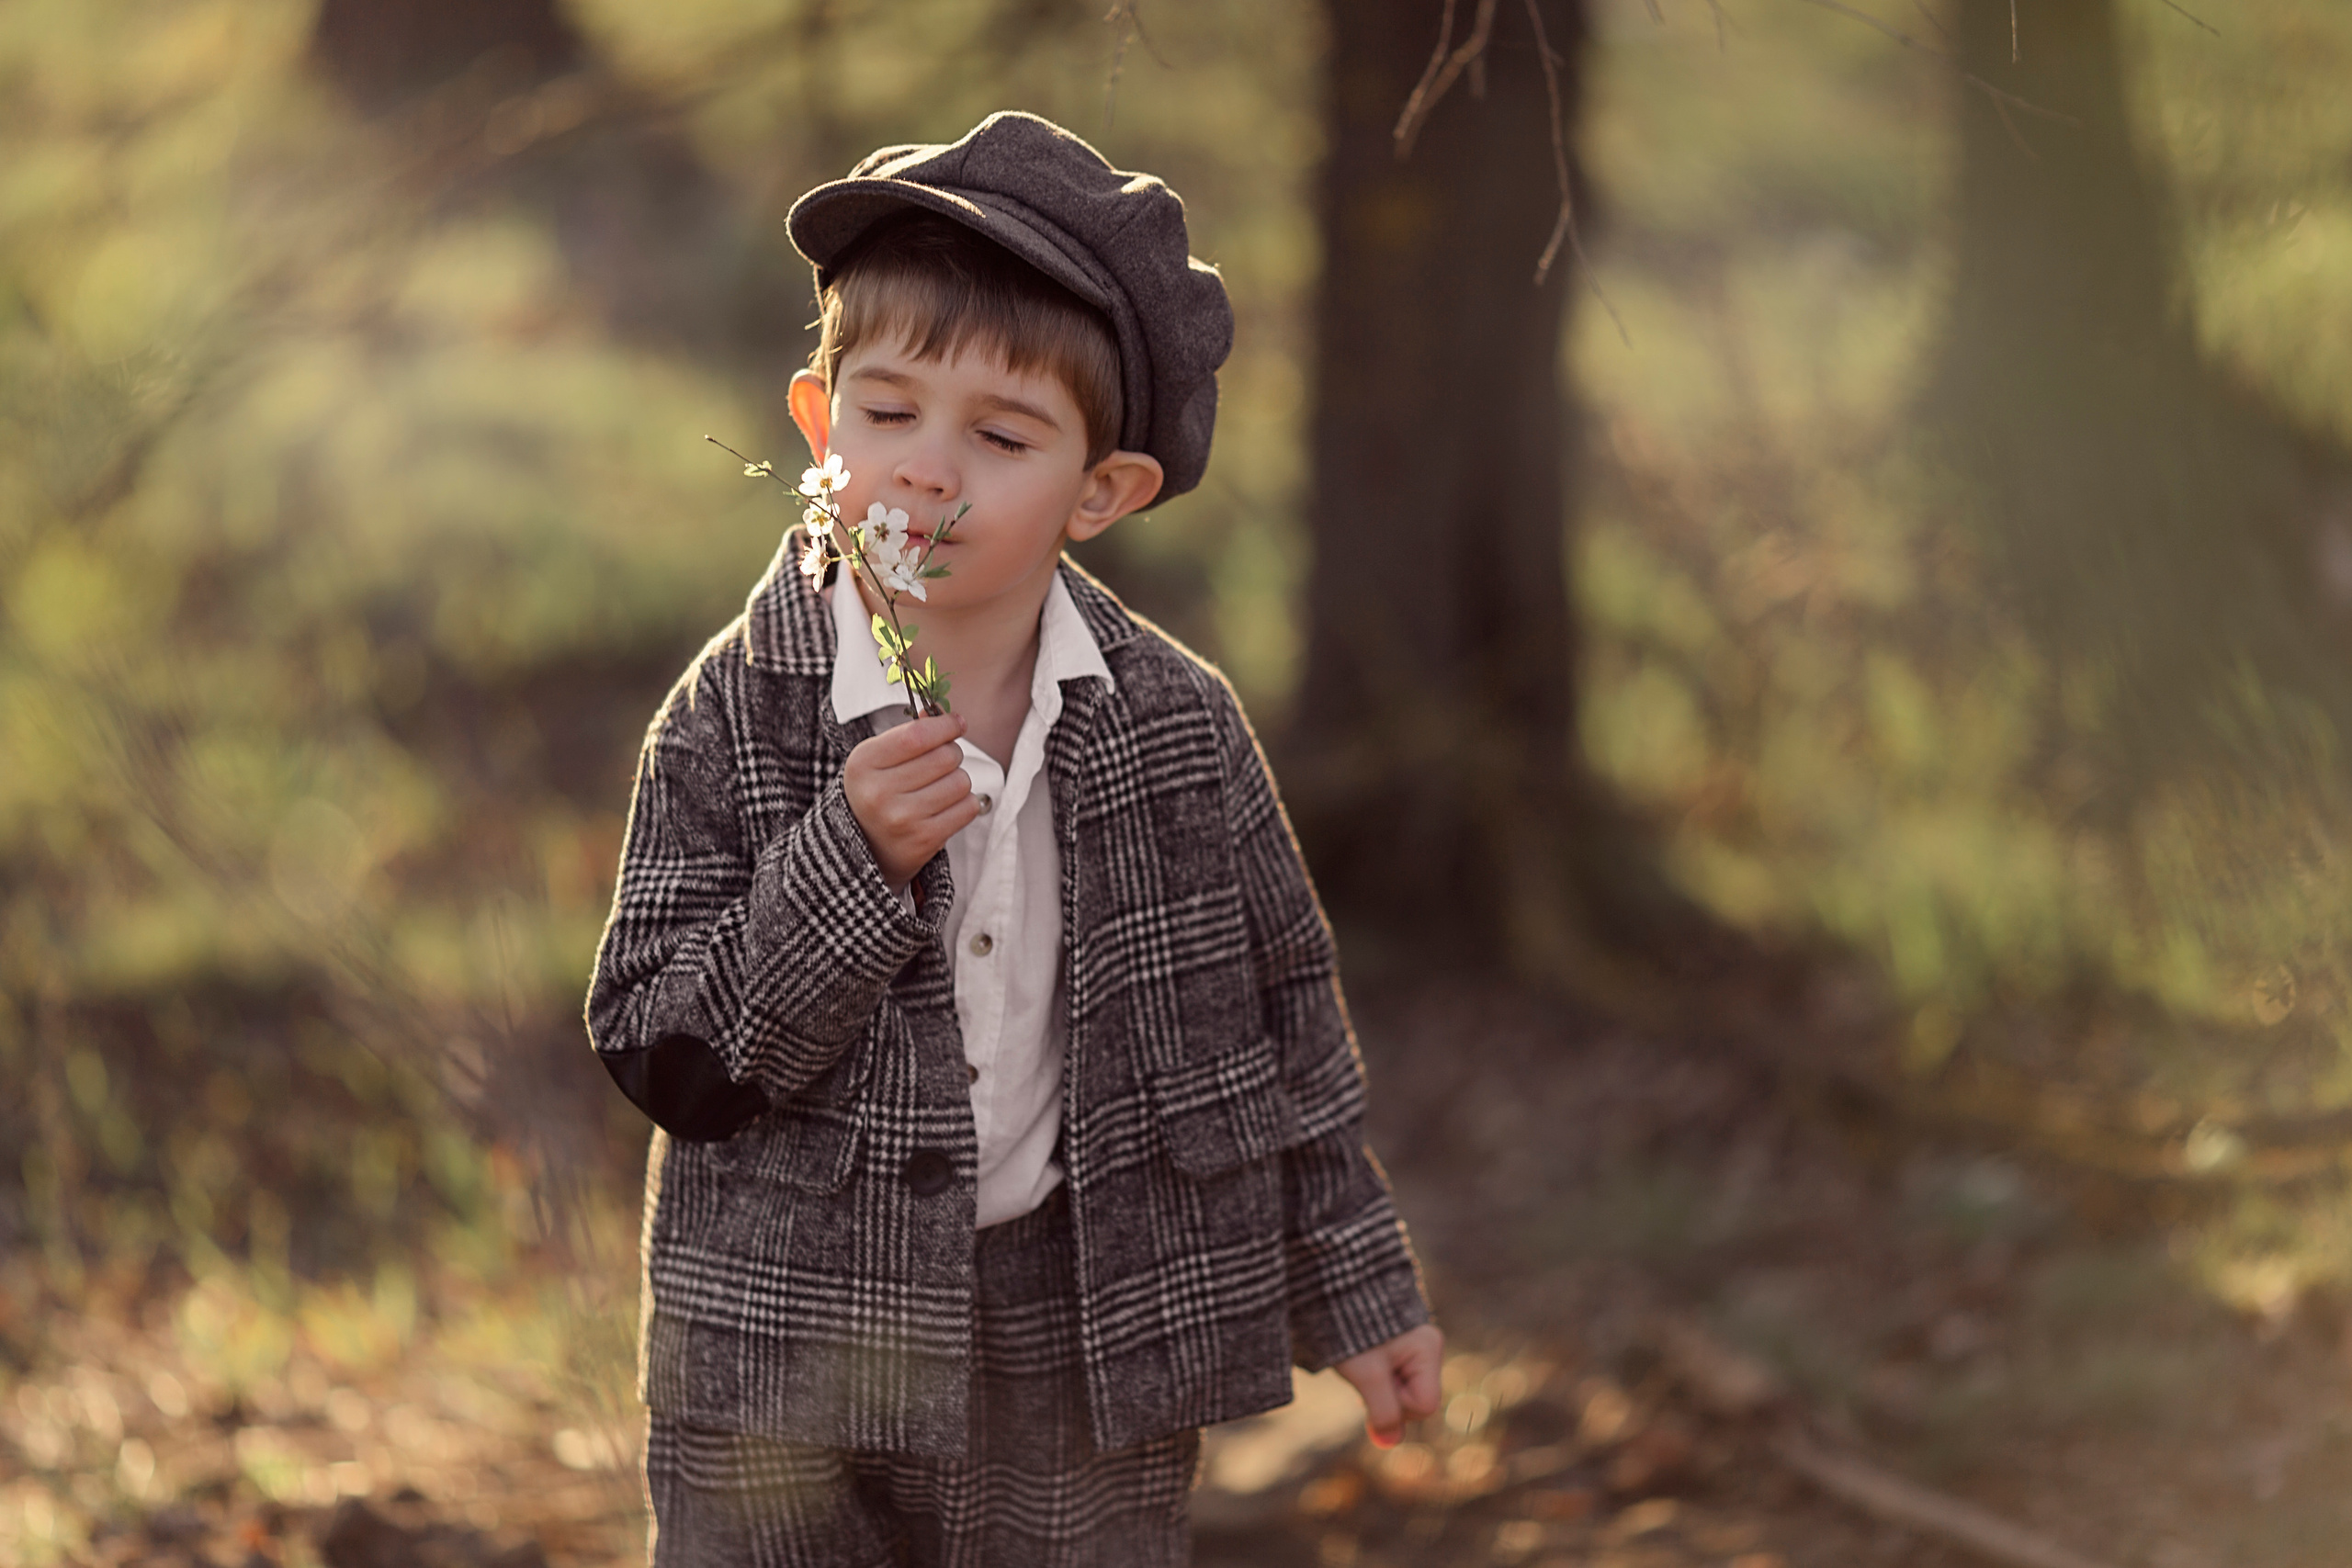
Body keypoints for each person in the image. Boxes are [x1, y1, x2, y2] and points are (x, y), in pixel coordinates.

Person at [585, 109, 1440, 1568]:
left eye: (1002, 434)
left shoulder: (1175, 726)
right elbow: (662, 1049)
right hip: (785, 1343)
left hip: (1077, 1334)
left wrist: (1358, 1294)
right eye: (888, 411)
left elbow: (1287, 1027)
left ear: (1100, 493)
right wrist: (844, 868)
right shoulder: (738, 710)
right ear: (817, 422)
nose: (926, 472)